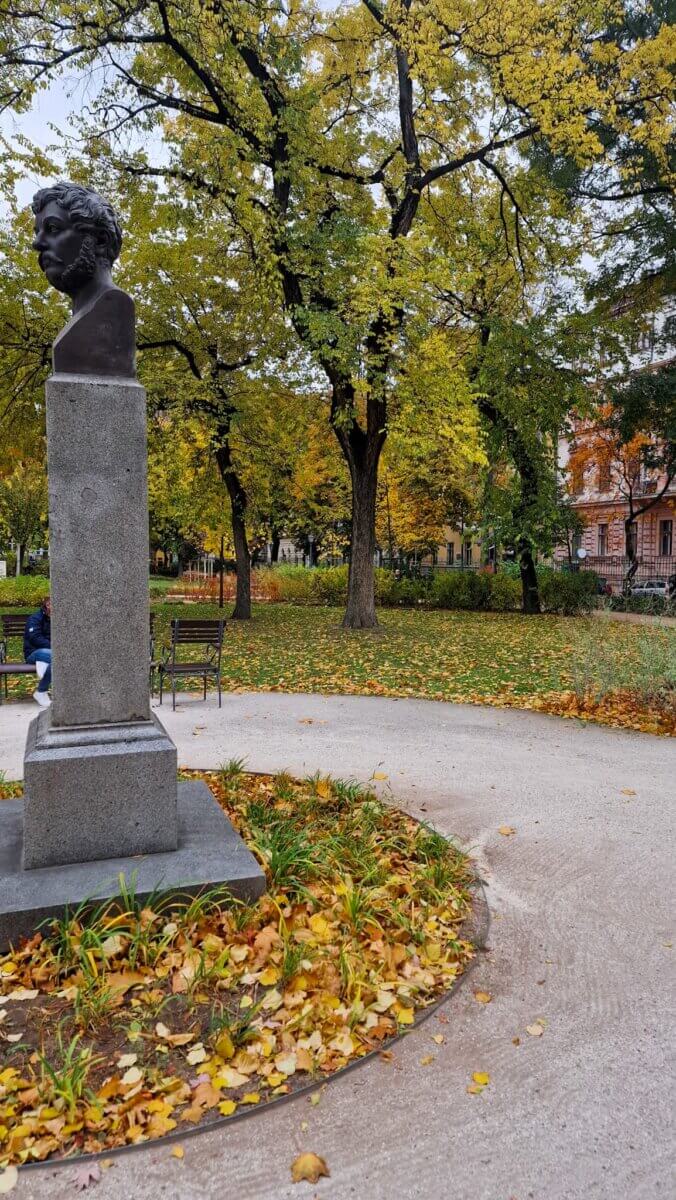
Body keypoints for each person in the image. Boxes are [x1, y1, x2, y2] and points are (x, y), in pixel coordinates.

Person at [24, 597, 52, 707]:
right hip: (33, 653)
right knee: (58, 656)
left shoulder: (59, 619)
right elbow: (35, 638)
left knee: (61, 657)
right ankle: (41, 692)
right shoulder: (35, 618)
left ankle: (44, 663)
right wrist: (55, 647)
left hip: (49, 652)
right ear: (47, 605)